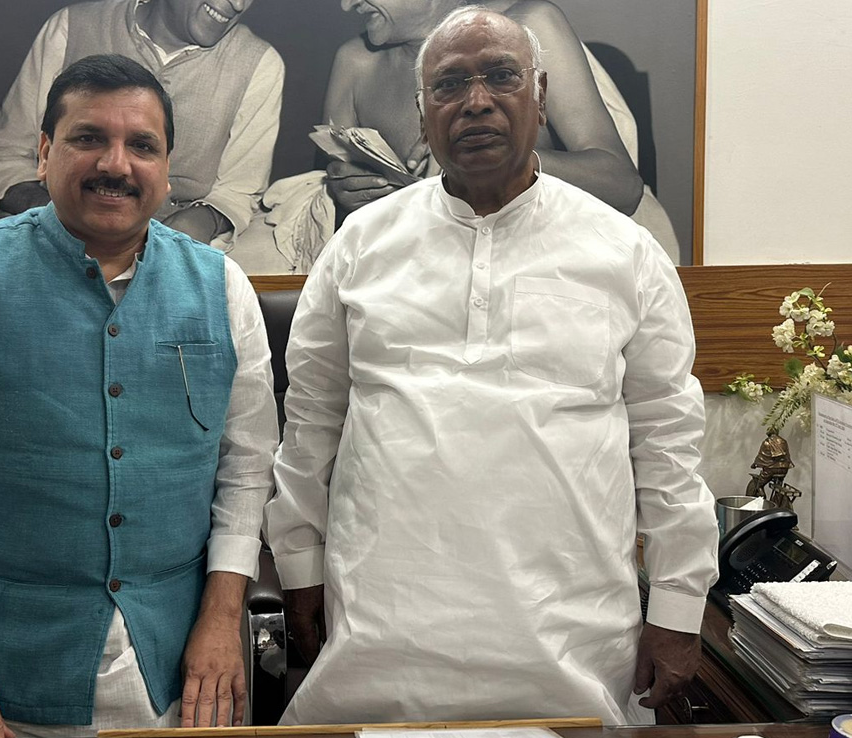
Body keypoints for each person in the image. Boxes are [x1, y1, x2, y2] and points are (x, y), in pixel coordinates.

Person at [265, 7, 718, 726]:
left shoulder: (625, 253)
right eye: (450, 84)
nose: (476, 101)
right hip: (382, 633)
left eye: (501, 76)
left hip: (571, 643)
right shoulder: (360, 246)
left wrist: (679, 606)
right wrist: (298, 564)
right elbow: (311, 421)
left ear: (540, 96)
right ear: (423, 112)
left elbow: (667, 441)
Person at [0, 54, 277, 738]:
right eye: (89, 138)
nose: (117, 164)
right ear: (44, 151)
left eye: (142, 145)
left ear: (167, 168)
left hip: (173, 673)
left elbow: (247, 467)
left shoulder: (223, 288)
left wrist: (222, 617)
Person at [322, 0, 681, 262]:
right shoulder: (355, 63)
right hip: (421, 293)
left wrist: (505, 163)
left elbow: (622, 187)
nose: (346, 5)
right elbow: (349, 237)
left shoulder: (529, 27)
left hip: (540, 277)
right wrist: (346, 195)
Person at [0, 0, 283, 246]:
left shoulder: (259, 64)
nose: (238, 4)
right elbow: (1, 154)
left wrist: (201, 221)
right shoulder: (70, 27)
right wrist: (54, 215)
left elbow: (239, 191)